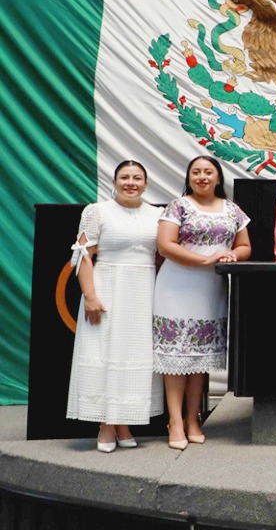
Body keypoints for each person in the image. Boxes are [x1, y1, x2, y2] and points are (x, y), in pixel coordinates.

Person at [66, 160, 164, 452]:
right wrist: (90, 296)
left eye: (137, 178)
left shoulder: (158, 215)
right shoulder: (96, 211)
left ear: (146, 184)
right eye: (125, 177)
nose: (131, 183)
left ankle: (123, 423)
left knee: (133, 355)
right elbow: (84, 255)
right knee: (105, 354)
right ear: (114, 181)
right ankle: (105, 425)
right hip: (107, 289)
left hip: (144, 292)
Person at [154, 156, 251, 450]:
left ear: (218, 178)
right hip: (176, 287)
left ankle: (193, 418)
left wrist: (233, 255)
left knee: (200, 358)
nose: (202, 177)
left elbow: (244, 246)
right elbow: (165, 245)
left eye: (208, 172)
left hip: (211, 289)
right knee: (175, 358)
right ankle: (175, 421)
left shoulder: (232, 209)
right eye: (196, 172)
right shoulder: (178, 206)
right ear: (189, 177)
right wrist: (205, 260)